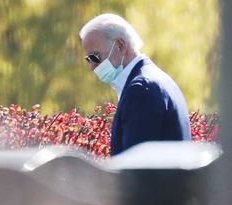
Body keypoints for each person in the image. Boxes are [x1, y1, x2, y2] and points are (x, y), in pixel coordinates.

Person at [79, 13, 191, 156]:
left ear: (120, 45)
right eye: (89, 59)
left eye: (95, 57)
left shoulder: (140, 90)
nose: (92, 67)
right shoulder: (156, 80)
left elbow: (135, 170)